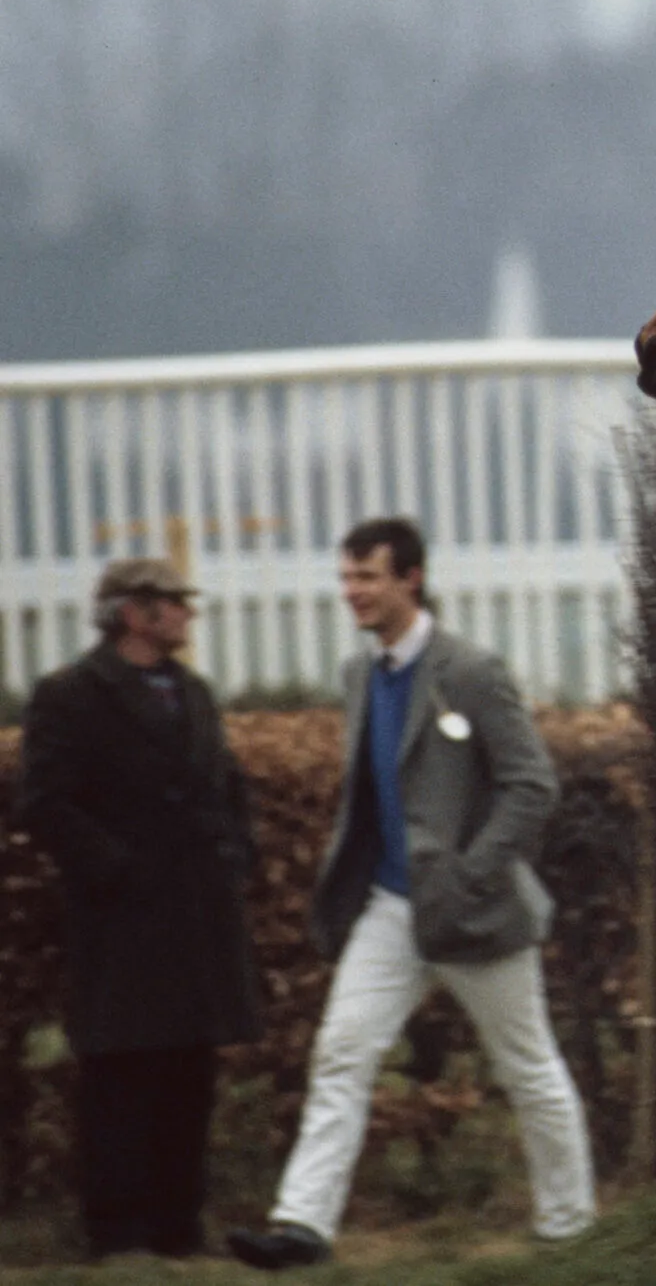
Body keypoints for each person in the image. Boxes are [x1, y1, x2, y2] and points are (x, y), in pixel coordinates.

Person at [227, 517, 594, 1269]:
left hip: (476, 909)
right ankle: (302, 1228)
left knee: (528, 1066)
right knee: (342, 1053)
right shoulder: (362, 673)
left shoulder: (471, 670)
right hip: (390, 908)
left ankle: (572, 1225)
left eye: (366, 577)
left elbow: (532, 786)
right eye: (347, 578)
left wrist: (470, 872)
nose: (352, 593)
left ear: (410, 580)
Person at [12, 556, 262, 1260]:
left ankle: (178, 1228)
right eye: (174, 603)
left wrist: (235, 853)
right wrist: (114, 869)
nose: (188, 614)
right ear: (135, 613)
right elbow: (46, 802)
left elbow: (228, 784)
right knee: (122, 1076)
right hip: (122, 922)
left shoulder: (194, 692)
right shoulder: (71, 694)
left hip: (196, 918)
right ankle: (116, 1233)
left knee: (189, 1071)